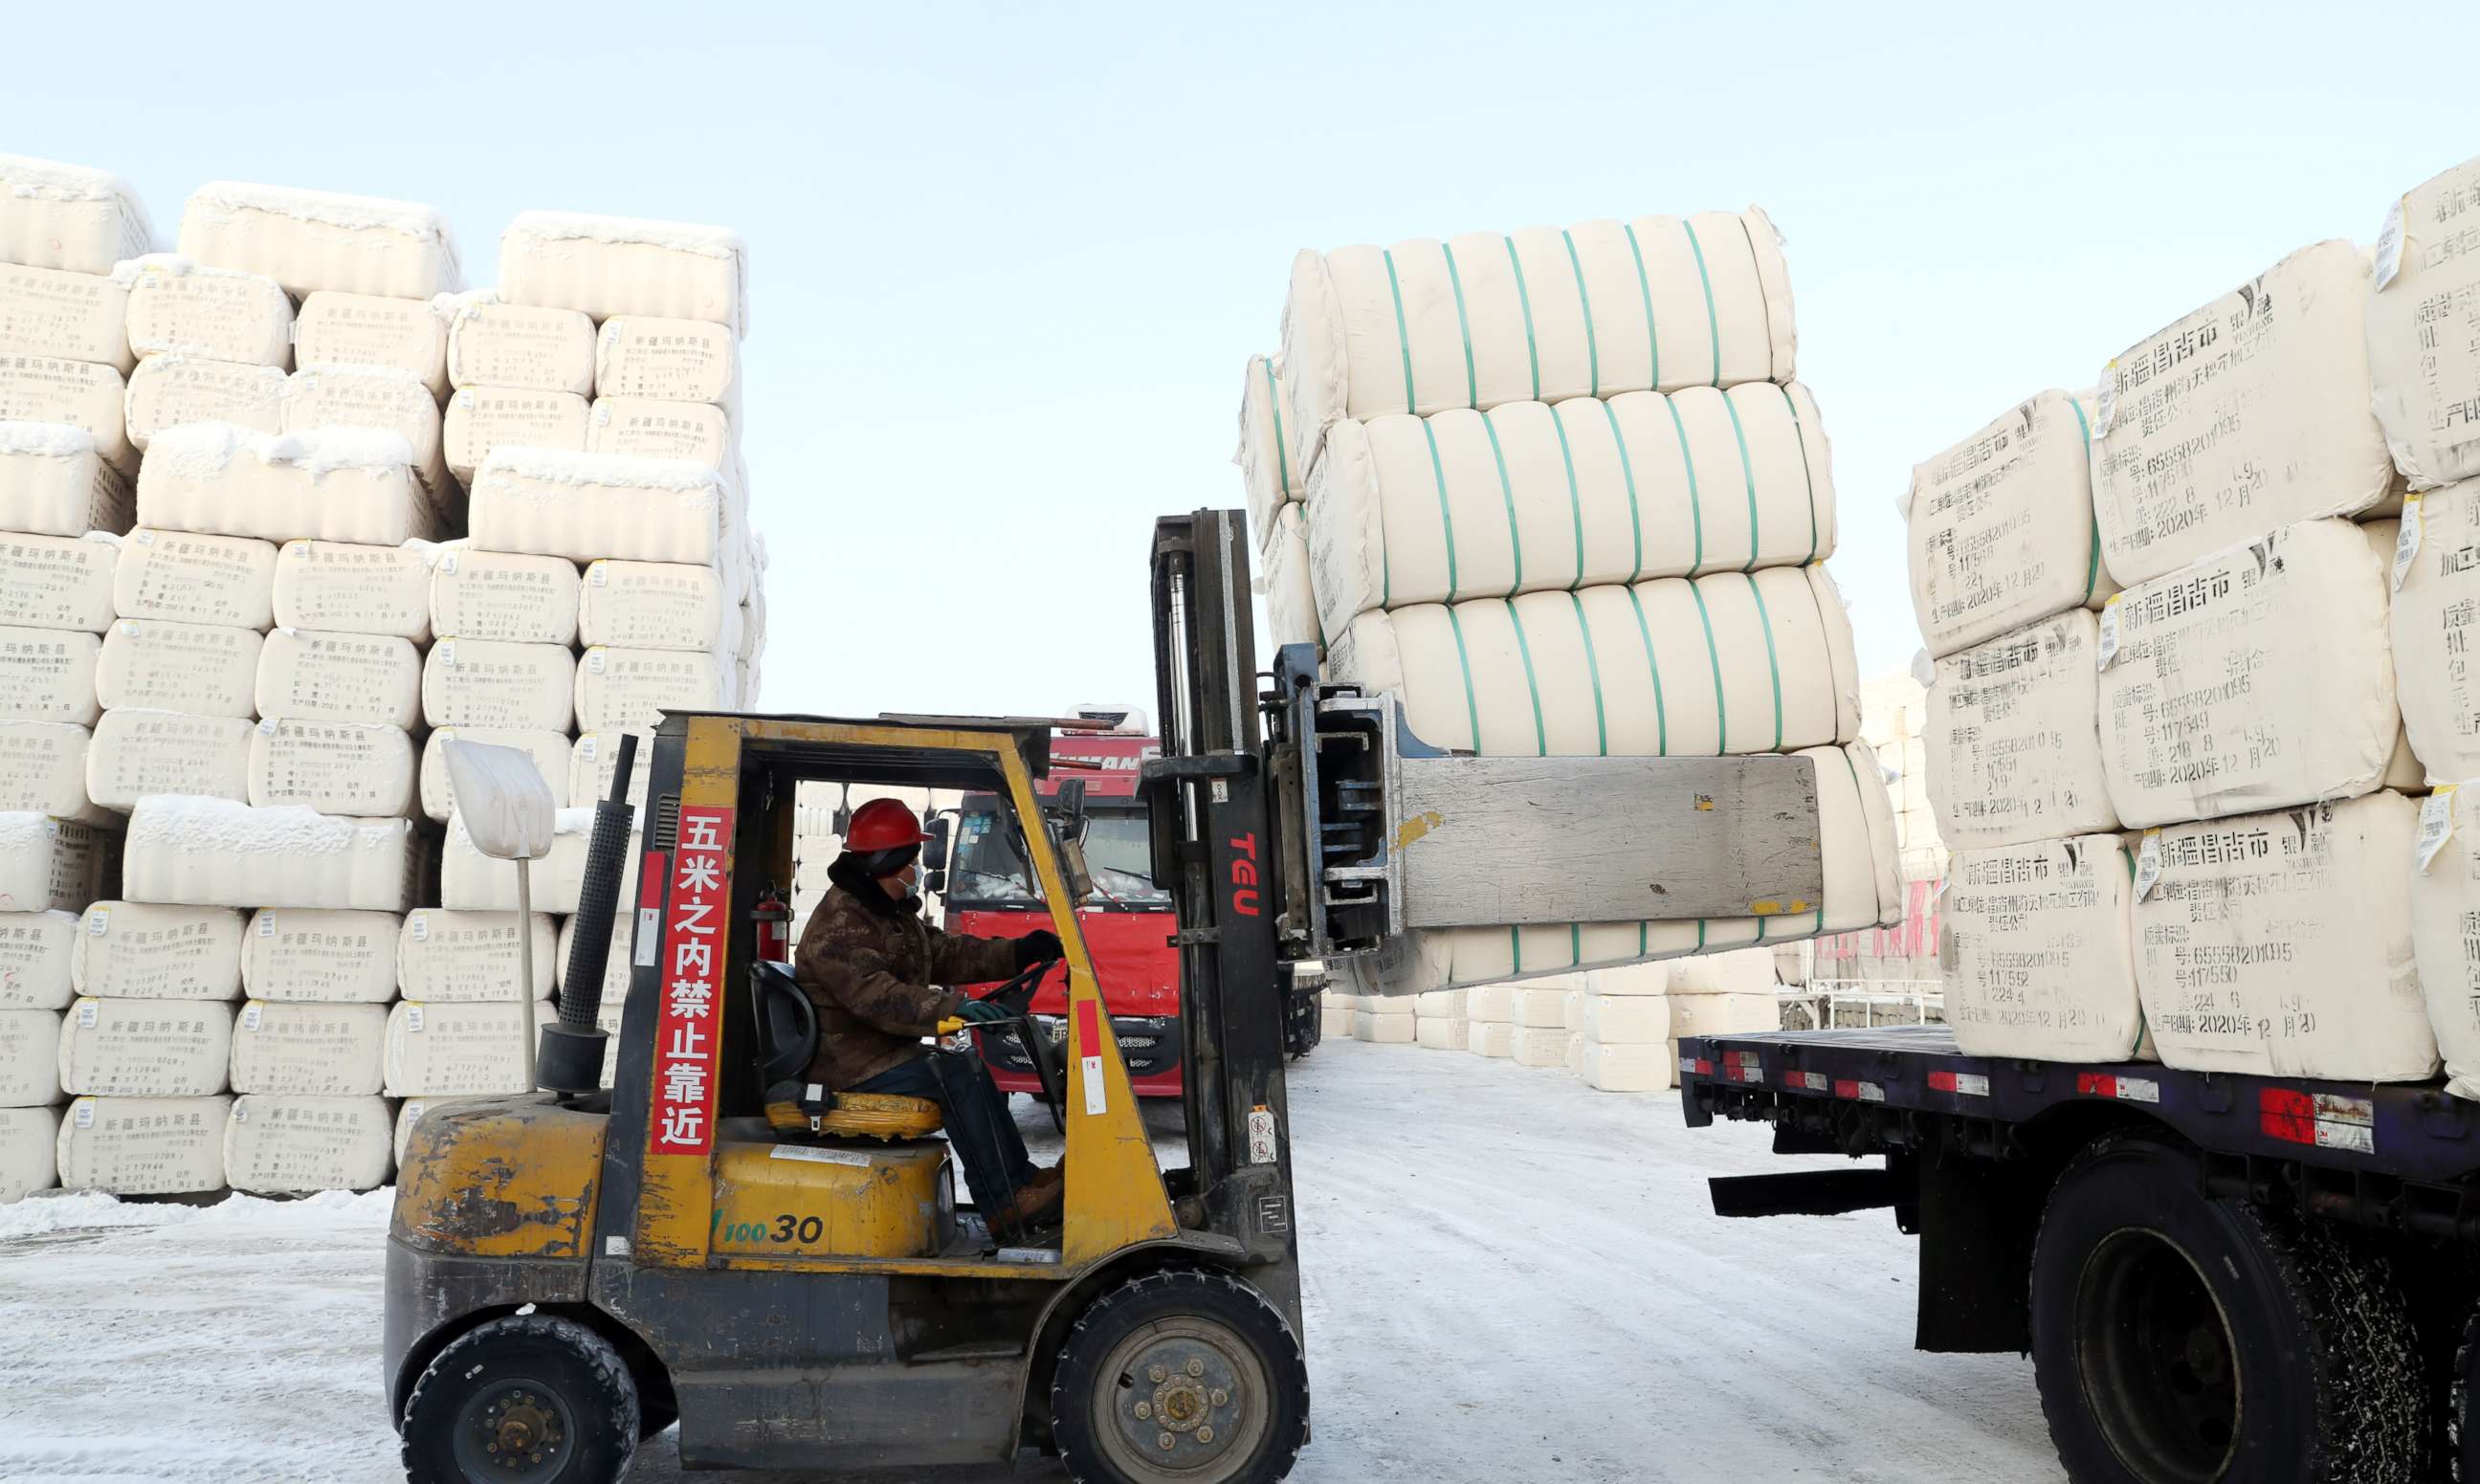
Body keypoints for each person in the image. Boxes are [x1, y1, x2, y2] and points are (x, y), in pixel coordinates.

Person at [793, 796, 1067, 1240]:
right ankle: (1003, 1205)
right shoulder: (840, 924)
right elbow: (877, 998)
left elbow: (944, 953)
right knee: (954, 1075)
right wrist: (951, 1008)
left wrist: (1018, 952)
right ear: (888, 861)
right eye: (911, 861)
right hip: (847, 1062)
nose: (915, 870)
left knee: (970, 1067)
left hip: (877, 1053)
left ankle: (1020, 1179)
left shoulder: (887, 915)